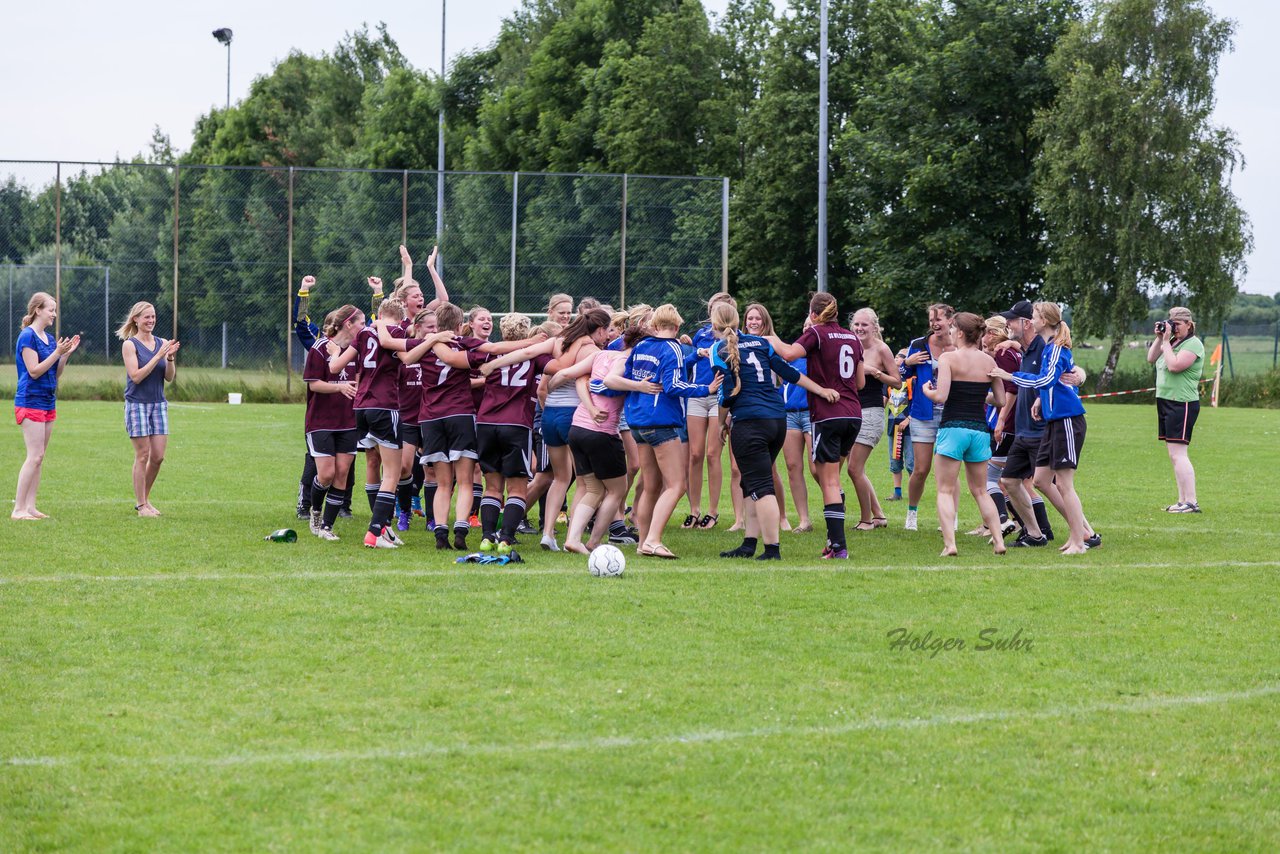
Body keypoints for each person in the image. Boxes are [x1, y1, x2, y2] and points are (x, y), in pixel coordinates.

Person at [713, 302, 839, 560]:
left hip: (750, 422)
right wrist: (821, 390)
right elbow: (790, 373)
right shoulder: (762, 343)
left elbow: (726, 394)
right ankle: (749, 544)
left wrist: (719, 424)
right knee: (750, 482)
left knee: (760, 485)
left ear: (714, 325)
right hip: (777, 420)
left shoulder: (719, 349)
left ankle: (772, 549)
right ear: (740, 321)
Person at [607, 304, 721, 559]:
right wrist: (707, 389)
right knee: (677, 485)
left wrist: (696, 355)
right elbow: (673, 385)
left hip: (638, 422)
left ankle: (642, 542)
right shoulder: (673, 348)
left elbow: (666, 367)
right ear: (677, 326)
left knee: (652, 486)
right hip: (660, 422)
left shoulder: (642, 346)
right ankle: (654, 540)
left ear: (656, 326)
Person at [991, 302, 1091, 555]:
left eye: (1034, 317)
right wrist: (1040, 401)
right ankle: (1075, 536)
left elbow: (1047, 379)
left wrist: (1009, 376)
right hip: (1054, 421)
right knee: (1041, 480)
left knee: (1065, 485)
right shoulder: (1048, 349)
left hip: (1067, 419)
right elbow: (1052, 383)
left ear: (1043, 321)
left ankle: (1081, 541)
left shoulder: (1056, 349)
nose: (1031, 321)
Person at [773, 293, 865, 560]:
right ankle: (832, 540)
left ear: (813, 314)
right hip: (853, 415)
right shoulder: (852, 337)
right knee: (833, 480)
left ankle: (838, 547)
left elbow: (789, 353)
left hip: (828, 414)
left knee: (829, 481)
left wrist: (770, 339)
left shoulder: (817, 333)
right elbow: (859, 383)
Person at [921, 313, 1008, 557]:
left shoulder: (949, 358)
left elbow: (941, 396)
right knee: (981, 491)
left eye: (952, 328)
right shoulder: (989, 361)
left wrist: (927, 391)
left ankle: (950, 545)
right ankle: (999, 541)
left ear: (959, 332)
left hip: (953, 428)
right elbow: (1000, 400)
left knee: (945, 490)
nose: (948, 331)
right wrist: (980, 395)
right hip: (979, 431)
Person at [472, 313, 555, 551]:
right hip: (516, 424)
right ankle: (506, 538)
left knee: (492, 487)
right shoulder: (535, 356)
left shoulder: (491, 351)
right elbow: (557, 366)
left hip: (486, 423)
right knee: (517, 488)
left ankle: (487, 537)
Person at [537, 308, 613, 550]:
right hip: (572, 415)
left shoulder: (561, 343)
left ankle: (548, 533)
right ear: (599, 330)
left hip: (549, 414)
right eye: (608, 331)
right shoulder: (591, 350)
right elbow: (582, 381)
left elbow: (544, 387)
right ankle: (573, 537)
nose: (609, 337)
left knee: (560, 478)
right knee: (583, 483)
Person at [12, 292, 80, 521]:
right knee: (34, 456)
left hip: (48, 401)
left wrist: (65, 355)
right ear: (38, 310)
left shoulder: (50, 339)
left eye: (55, 309)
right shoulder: (27, 336)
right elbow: (34, 370)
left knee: (40, 457)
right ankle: (18, 509)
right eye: (51, 309)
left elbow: (55, 373)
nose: (54, 314)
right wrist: (56, 353)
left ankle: (30, 507)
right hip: (30, 400)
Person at [302, 306, 361, 541]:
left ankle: (327, 526)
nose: (363, 327)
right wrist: (339, 386)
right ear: (348, 324)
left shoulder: (355, 350)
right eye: (360, 322)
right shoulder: (319, 348)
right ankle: (315, 512)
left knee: (342, 474)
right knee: (326, 474)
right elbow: (314, 384)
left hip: (348, 421)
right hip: (321, 422)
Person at [118, 301, 179, 517]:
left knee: (158, 456)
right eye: (146, 317)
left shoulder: (161, 343)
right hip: (137, 405)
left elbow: (169, 377)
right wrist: (157, 355)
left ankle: (145, 499)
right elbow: (136, 376)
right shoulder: (130, 345)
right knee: (142, 455)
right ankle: (141, 505)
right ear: (136, 319)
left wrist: (169, 357)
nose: (151, 320)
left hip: (158, 404)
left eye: (153, 317)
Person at [901, 304, 955, 531]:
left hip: (951, 413)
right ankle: (912, 513)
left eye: (939, 319)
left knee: (950, 470)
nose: (934, 324)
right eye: (931, 320)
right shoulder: (918, 344)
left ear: (951, 321)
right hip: (923, 414)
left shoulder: (958, 345)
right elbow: (900, 377)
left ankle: (950, 517)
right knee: (921, 470)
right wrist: (906, 363)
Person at [847, 308, 902, 531]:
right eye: (856, 324)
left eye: (864, 325)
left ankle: (866, 520)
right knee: (857, 469)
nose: (859, 328)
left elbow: (897, 382)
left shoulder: (882, 349)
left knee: (853, 469)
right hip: (850, 411)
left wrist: (874, 372)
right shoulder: (848, 345)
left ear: (874, 327)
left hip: (871, 412)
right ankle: (878, 515)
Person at [684, 294, 734, 530]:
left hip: (719, 398)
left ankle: (713, 512)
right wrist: (695, 352)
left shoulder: (733, 337)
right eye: (713, 307)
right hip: (697, 395)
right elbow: (689, 363)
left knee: (713, 454)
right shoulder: (701, 334)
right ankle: (694, 510)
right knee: (695, 454)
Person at [1148, 306, 1204, 512]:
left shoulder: (1194, 344)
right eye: (1172, 324)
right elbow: (1151, 358)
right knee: (1174, 455)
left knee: (1179, 454)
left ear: (1189, 324)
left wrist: (1165, 343)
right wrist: (1160, 338)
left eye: (1178, 324)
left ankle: (1191, 501)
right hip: (1165, 400)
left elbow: (1174, 366)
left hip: (1182, 402)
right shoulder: (1171, 341)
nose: (1174, 328)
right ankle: (1182, 501)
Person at [885, 348, 914, 501]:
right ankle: (897, 492)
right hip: (893, 426)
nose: (895, 359)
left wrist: (908, 419)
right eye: (895, 356)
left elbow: (917, 403)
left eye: (899, 357)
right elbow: (883, 400)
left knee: (911, 462)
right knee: (895, 461)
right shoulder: (890, 380)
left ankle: (913, 493)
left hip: (909, 427)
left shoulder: (912, 380)